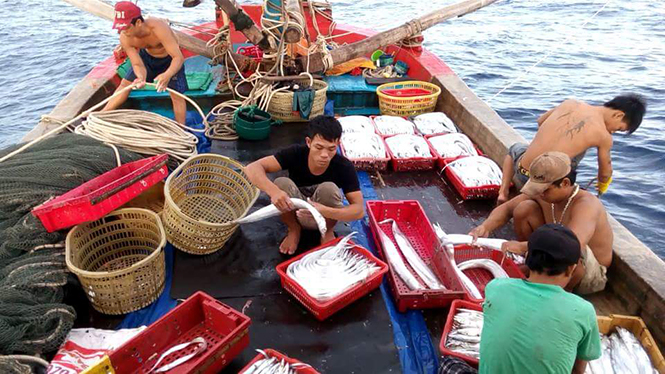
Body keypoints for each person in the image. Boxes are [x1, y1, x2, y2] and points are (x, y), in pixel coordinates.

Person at [469, 152, 612, 294]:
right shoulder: (545, 194)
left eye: (545, 190)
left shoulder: (586, 205)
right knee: (524, 209)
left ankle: (561, 293)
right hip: (555, 248)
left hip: (588, 271)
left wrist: (523, 246)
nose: (540, 194)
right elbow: (507, 209)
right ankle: (534, 267)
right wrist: (485, 227)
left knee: (571, 260)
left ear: (565, 183)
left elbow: (571, 245)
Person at [478, 224, 601, 374]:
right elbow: (579, 369)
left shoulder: (496, 287)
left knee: (450, 363)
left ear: (527, 257)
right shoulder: (584, 310)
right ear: (571, 269)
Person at [245, 116, 364, 254]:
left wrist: (324, 210)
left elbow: (358, 210)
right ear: (309, 142)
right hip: (295, 209)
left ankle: (327, 232)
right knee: (281, 183)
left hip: (323, 214)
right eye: (318, 147)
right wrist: (274, 192)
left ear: (338, 143)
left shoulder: (344, 166)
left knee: (329, 188)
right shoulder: (296, 153)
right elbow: (252, 168)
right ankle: (294, 229)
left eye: (331, 149)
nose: (324, 155)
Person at [497, 94, 647, 204]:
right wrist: (602, 186)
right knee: (576, 155)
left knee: (515, 149)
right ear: (618, 114)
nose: (614, 132)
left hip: (522, 171)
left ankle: (503, 192)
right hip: (546, 183)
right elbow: (605, 171)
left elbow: (541, 120)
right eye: (619, 129)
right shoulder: (604, 136)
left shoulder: (570, 103)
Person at [102, 2, 188, 124]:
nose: (123, 31)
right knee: (125, 84)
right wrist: (140, 77)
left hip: (170, 59)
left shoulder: (159, 27)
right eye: (120, 27)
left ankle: (181, 128)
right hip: (147, 58)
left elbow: (178, 57)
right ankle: (101, 115)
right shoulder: (125, 37)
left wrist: (167, 74)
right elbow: (137, 64)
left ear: (138, 23)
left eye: (126, 27)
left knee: (177, 95)